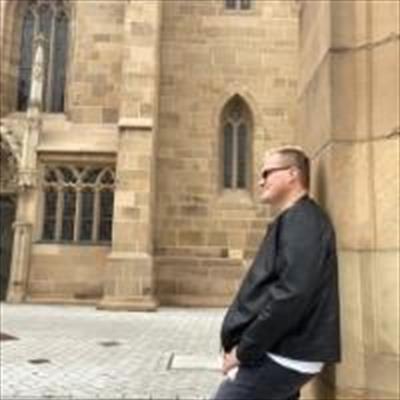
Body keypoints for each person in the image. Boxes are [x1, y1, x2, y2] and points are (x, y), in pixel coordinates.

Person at [213, 146, 341, 400]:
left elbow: (292, 295)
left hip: (283, 354)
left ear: (292, 174)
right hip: (280, 350)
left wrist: (243, 351)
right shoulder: (294, 219)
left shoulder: (303, 221)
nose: (261, 181)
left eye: (267, 173)